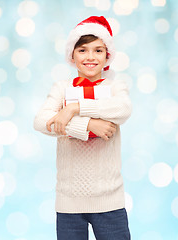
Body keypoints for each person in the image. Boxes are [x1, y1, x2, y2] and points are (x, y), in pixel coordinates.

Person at [34, 16, 132, 240]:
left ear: (108, 55)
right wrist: (88, 124)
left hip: (109, 200)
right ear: (72, 54)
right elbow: (41, 121)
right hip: (69, 201)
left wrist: (74, 108)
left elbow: (123, 109)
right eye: (83, 50)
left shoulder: (114, 86)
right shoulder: (61, 88)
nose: (90, 57)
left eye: (98, 50)